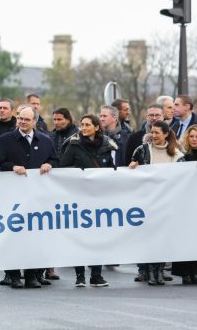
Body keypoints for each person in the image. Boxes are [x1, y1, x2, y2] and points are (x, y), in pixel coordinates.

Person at [0, 106, 57, 289]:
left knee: (34, 237)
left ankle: (32, 275)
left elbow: (55, 159)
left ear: (34, 122)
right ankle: (14, 275)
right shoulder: (5, 140)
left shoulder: (45, 141)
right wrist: (12, 167)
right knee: (13, 237)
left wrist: (49, 164)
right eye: (20, 118)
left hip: (37, 197)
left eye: (26, 119)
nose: (22, 122)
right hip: (12, 197)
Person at [60, 114, 117, 288]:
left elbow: (113, 170)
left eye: (87, 125)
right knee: (81, 237)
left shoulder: (108, 147)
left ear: (97, 127)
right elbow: (62, 167)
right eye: (82, 125)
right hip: (79, 198)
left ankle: (96, 275)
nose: (83, 128)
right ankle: (80, 276)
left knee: (97, 238)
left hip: (100, 199)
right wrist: (79, 171)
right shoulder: (74, 145)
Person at [130, 120, 184, 286]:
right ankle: (150, 271)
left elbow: (182, 179)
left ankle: (159, 271)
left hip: (167, 202)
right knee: (150, 238)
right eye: (152, 132)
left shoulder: (176, 155)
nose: (153, 136)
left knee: (163, 238)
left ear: (166, 134)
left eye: (157, 133)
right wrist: (133, 166)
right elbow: (131, 172)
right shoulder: (142, 150)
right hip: (147, 202)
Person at [174, 124, 197, 284]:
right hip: (187, 202)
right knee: (187, 237)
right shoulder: (183, 158)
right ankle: (186, 272)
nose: (194, 139)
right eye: (192, 136)